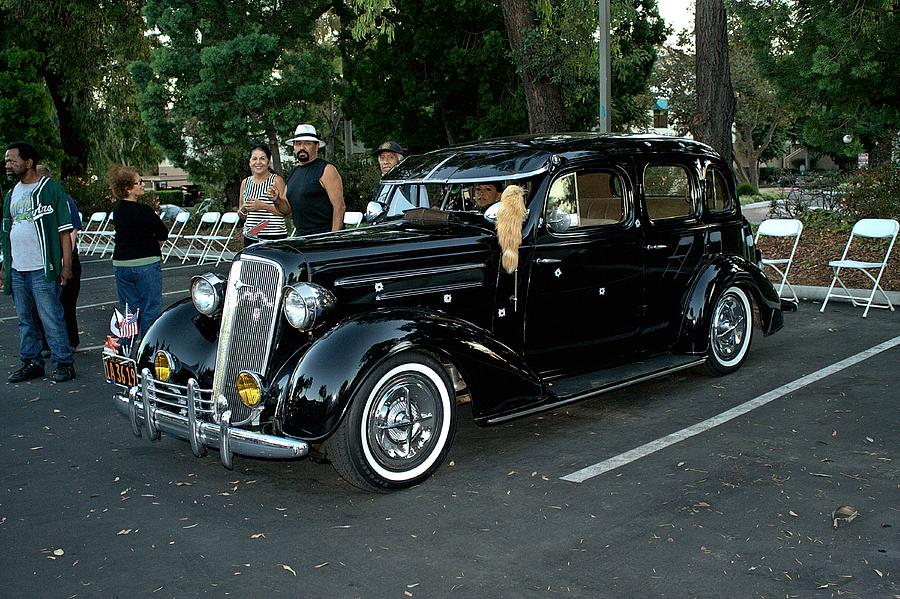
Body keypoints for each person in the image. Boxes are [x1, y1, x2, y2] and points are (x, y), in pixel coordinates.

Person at [1, 142, 76, 383]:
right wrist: (5, 264)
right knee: (25, 320)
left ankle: (63, 362)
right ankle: (31, 362)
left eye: (12, 160)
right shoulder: (12, 194)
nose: (7, 164)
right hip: (18, 268)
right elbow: (7, 230)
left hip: (43, 268)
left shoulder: (51, 189)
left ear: (28, 162)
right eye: (6, 160)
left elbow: (65, 231)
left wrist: (66, 265)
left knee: (51, 316)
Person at [108, 165, 168, 334]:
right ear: (128, 188)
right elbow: (163, 232)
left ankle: (128, 345)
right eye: (139, 182)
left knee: (129, 310)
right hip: (146, 262)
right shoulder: (145, 211)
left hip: (121, 263)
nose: (142, 184)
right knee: (151, 307)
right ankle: (146, 346)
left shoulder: (117, 210)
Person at [36, 164, 82, 350]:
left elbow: (71, 231)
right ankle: (48, 343)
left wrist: (66, 260)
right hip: (46, 260)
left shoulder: (63, 200)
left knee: (65, 304)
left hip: (63, 259)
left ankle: (70, 341)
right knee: (46, 305)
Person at [284, 124, 345, 235]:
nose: (302, 147)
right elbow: (287, 211)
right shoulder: (293, 173)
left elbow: (339, 207)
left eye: (307, 143)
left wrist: (333, 238)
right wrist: (276, 200)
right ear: (294, 147)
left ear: (316, 147)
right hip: (301, 239)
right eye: (298, 143)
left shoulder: (327, 170)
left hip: (323, 238)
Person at [237, 144, 290, 247]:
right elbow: (241, 215)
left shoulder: (276, 180)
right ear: (249, 162)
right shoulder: (245, 182)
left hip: (274, 237)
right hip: (250, 236)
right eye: (254, 159)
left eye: (262, 159)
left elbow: (287, 212)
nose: (258, 162)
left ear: (268, 162)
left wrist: (263, 206)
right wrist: (243, 209)